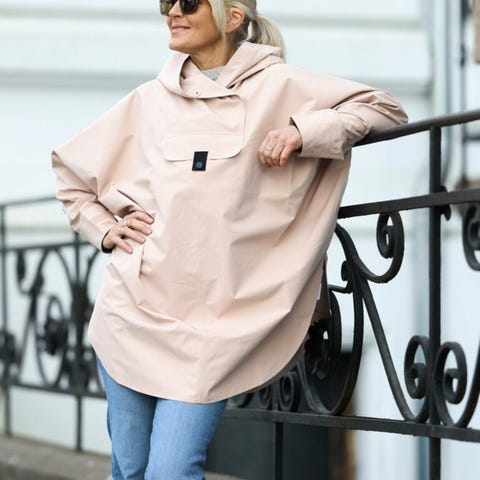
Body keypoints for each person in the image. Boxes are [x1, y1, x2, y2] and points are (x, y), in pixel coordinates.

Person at [51, 0, 408, 478]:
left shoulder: (281, 86)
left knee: (170, 471)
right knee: (130, 472)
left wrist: (304, 131)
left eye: (188, 3)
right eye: (166, 3)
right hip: (130, 314)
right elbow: (72, 175)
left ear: (233, 17)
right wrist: (106, 229)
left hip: (215, 328)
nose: (172, 12)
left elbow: (385, 109)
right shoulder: (149, 100)